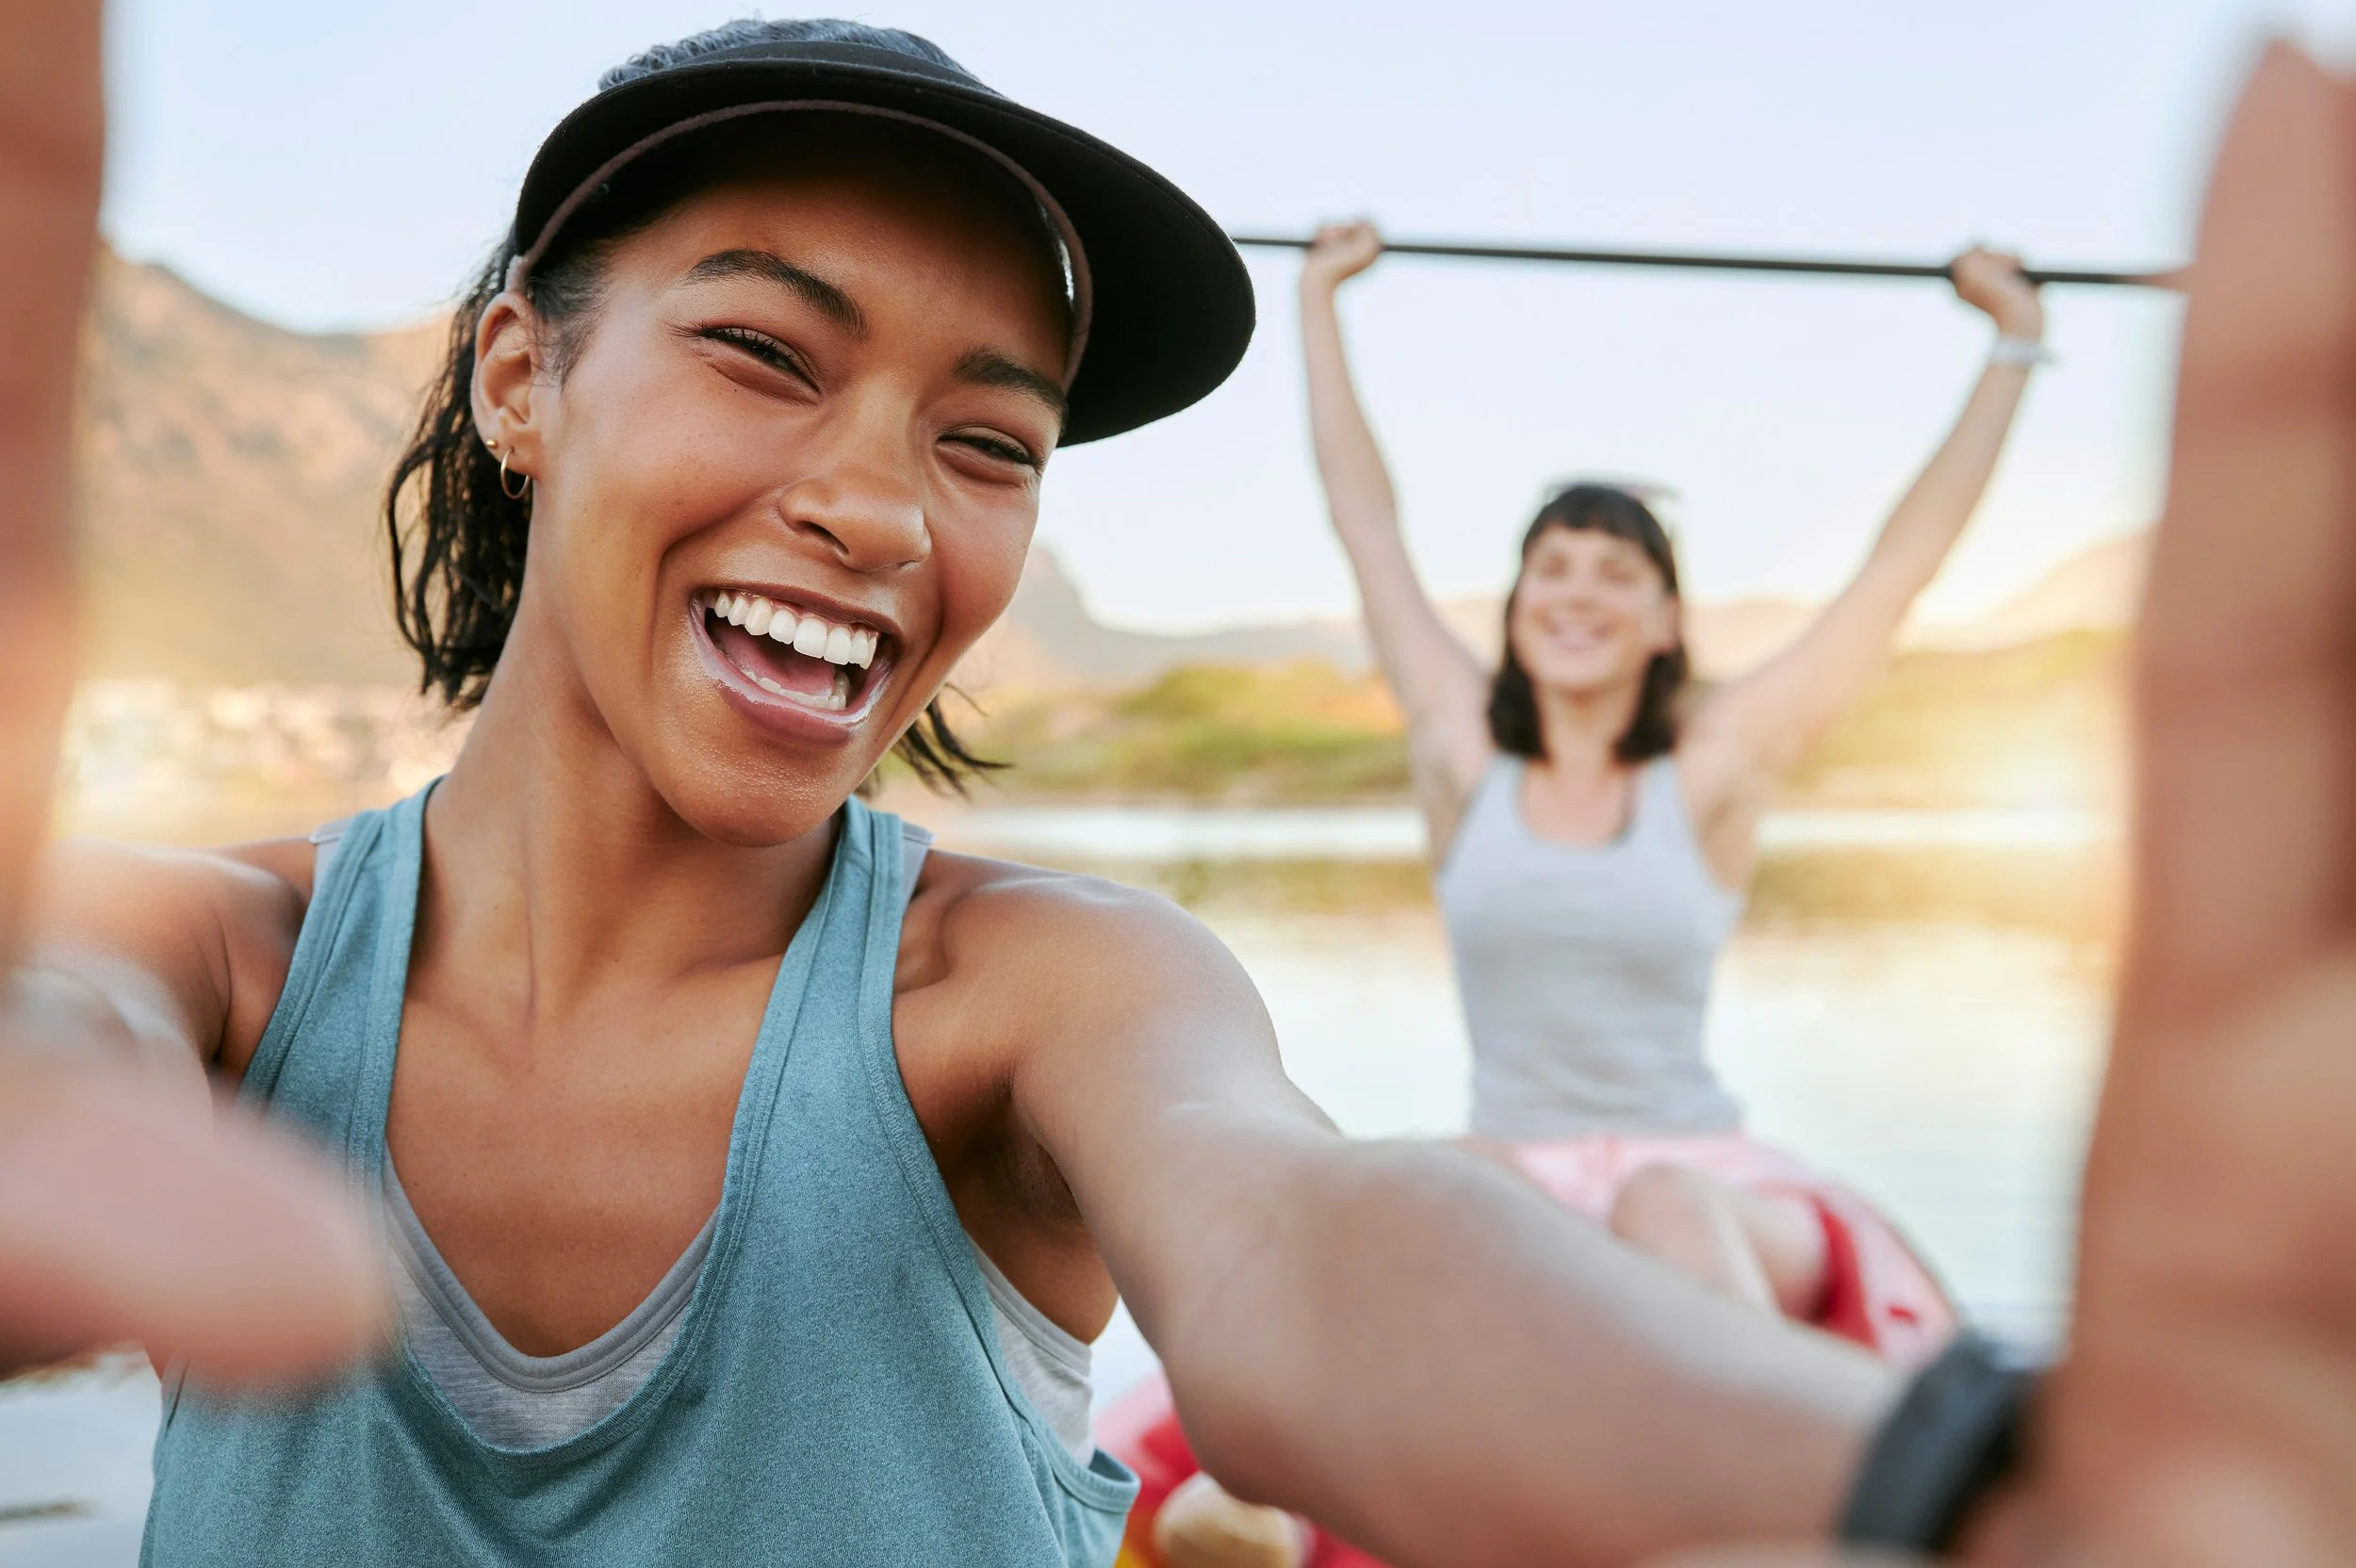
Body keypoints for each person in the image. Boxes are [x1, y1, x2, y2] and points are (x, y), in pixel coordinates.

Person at [4, 12, 2356, 1568]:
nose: (885, 507)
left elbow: (1304, 1247)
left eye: (989, 439)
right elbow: (57, 1047)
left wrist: (1929, 1485)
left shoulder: (1037, 989)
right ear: (521, 371)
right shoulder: (197, 948)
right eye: (761, 352)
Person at [1292, 220, 2050, 1329]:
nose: (1577, 591)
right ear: (1514, 609)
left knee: (1658, 1204)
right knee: (1447, 1180)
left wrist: (2014, 345)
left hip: (1709, 1189)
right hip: (1515, 1177)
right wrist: (1321, 299)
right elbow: (1365, 521)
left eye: (1617, 570)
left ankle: (1751, 1454)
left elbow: (1898, 567)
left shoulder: (1712, 768)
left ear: (1664, 620)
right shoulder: (1465, 757)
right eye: (1550, 567)